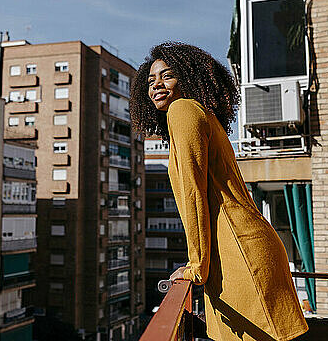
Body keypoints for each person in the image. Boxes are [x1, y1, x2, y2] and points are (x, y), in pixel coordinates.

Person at [130, 42, 309, 341]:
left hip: (239, 251)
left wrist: (196, 266)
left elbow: (193, 193)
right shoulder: (199, 114)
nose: (157, 85)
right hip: (242, 246)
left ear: (187, 78)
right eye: (150, 80)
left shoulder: (182, 110)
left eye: (167, 76)